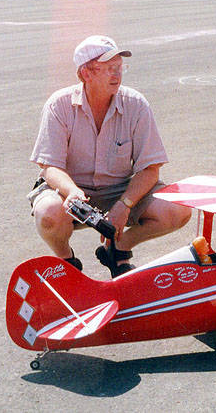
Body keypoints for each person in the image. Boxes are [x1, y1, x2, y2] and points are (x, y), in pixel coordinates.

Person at [28, 35, 191, 278]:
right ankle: (67, 262)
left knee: (178, 210)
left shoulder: (136, 104)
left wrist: (124, 205)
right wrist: (72, 192)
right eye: (107, 69)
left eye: (119, 67)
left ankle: (118, 249)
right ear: (86, 74)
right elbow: (49, 165)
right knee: (49, 213)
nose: (117, 75)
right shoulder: (58, 105)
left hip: (120, 190)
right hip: (71, 191)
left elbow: (150, 168)